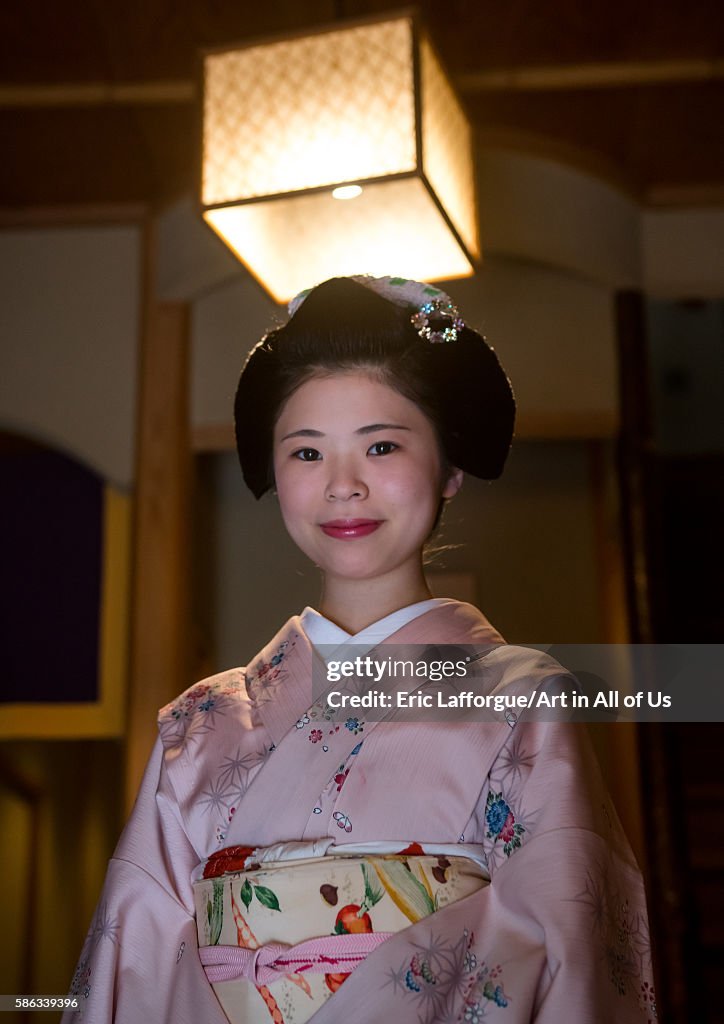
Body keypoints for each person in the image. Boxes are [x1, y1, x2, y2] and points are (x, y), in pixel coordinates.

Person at [65, 276, 656, 1023]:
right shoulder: (203, 722)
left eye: (381, 445)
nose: (343, 486)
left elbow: (566, 945)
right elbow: (136, 958)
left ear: (449, 468)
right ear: (275, 478)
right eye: (306, 453)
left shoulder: (522, 700)